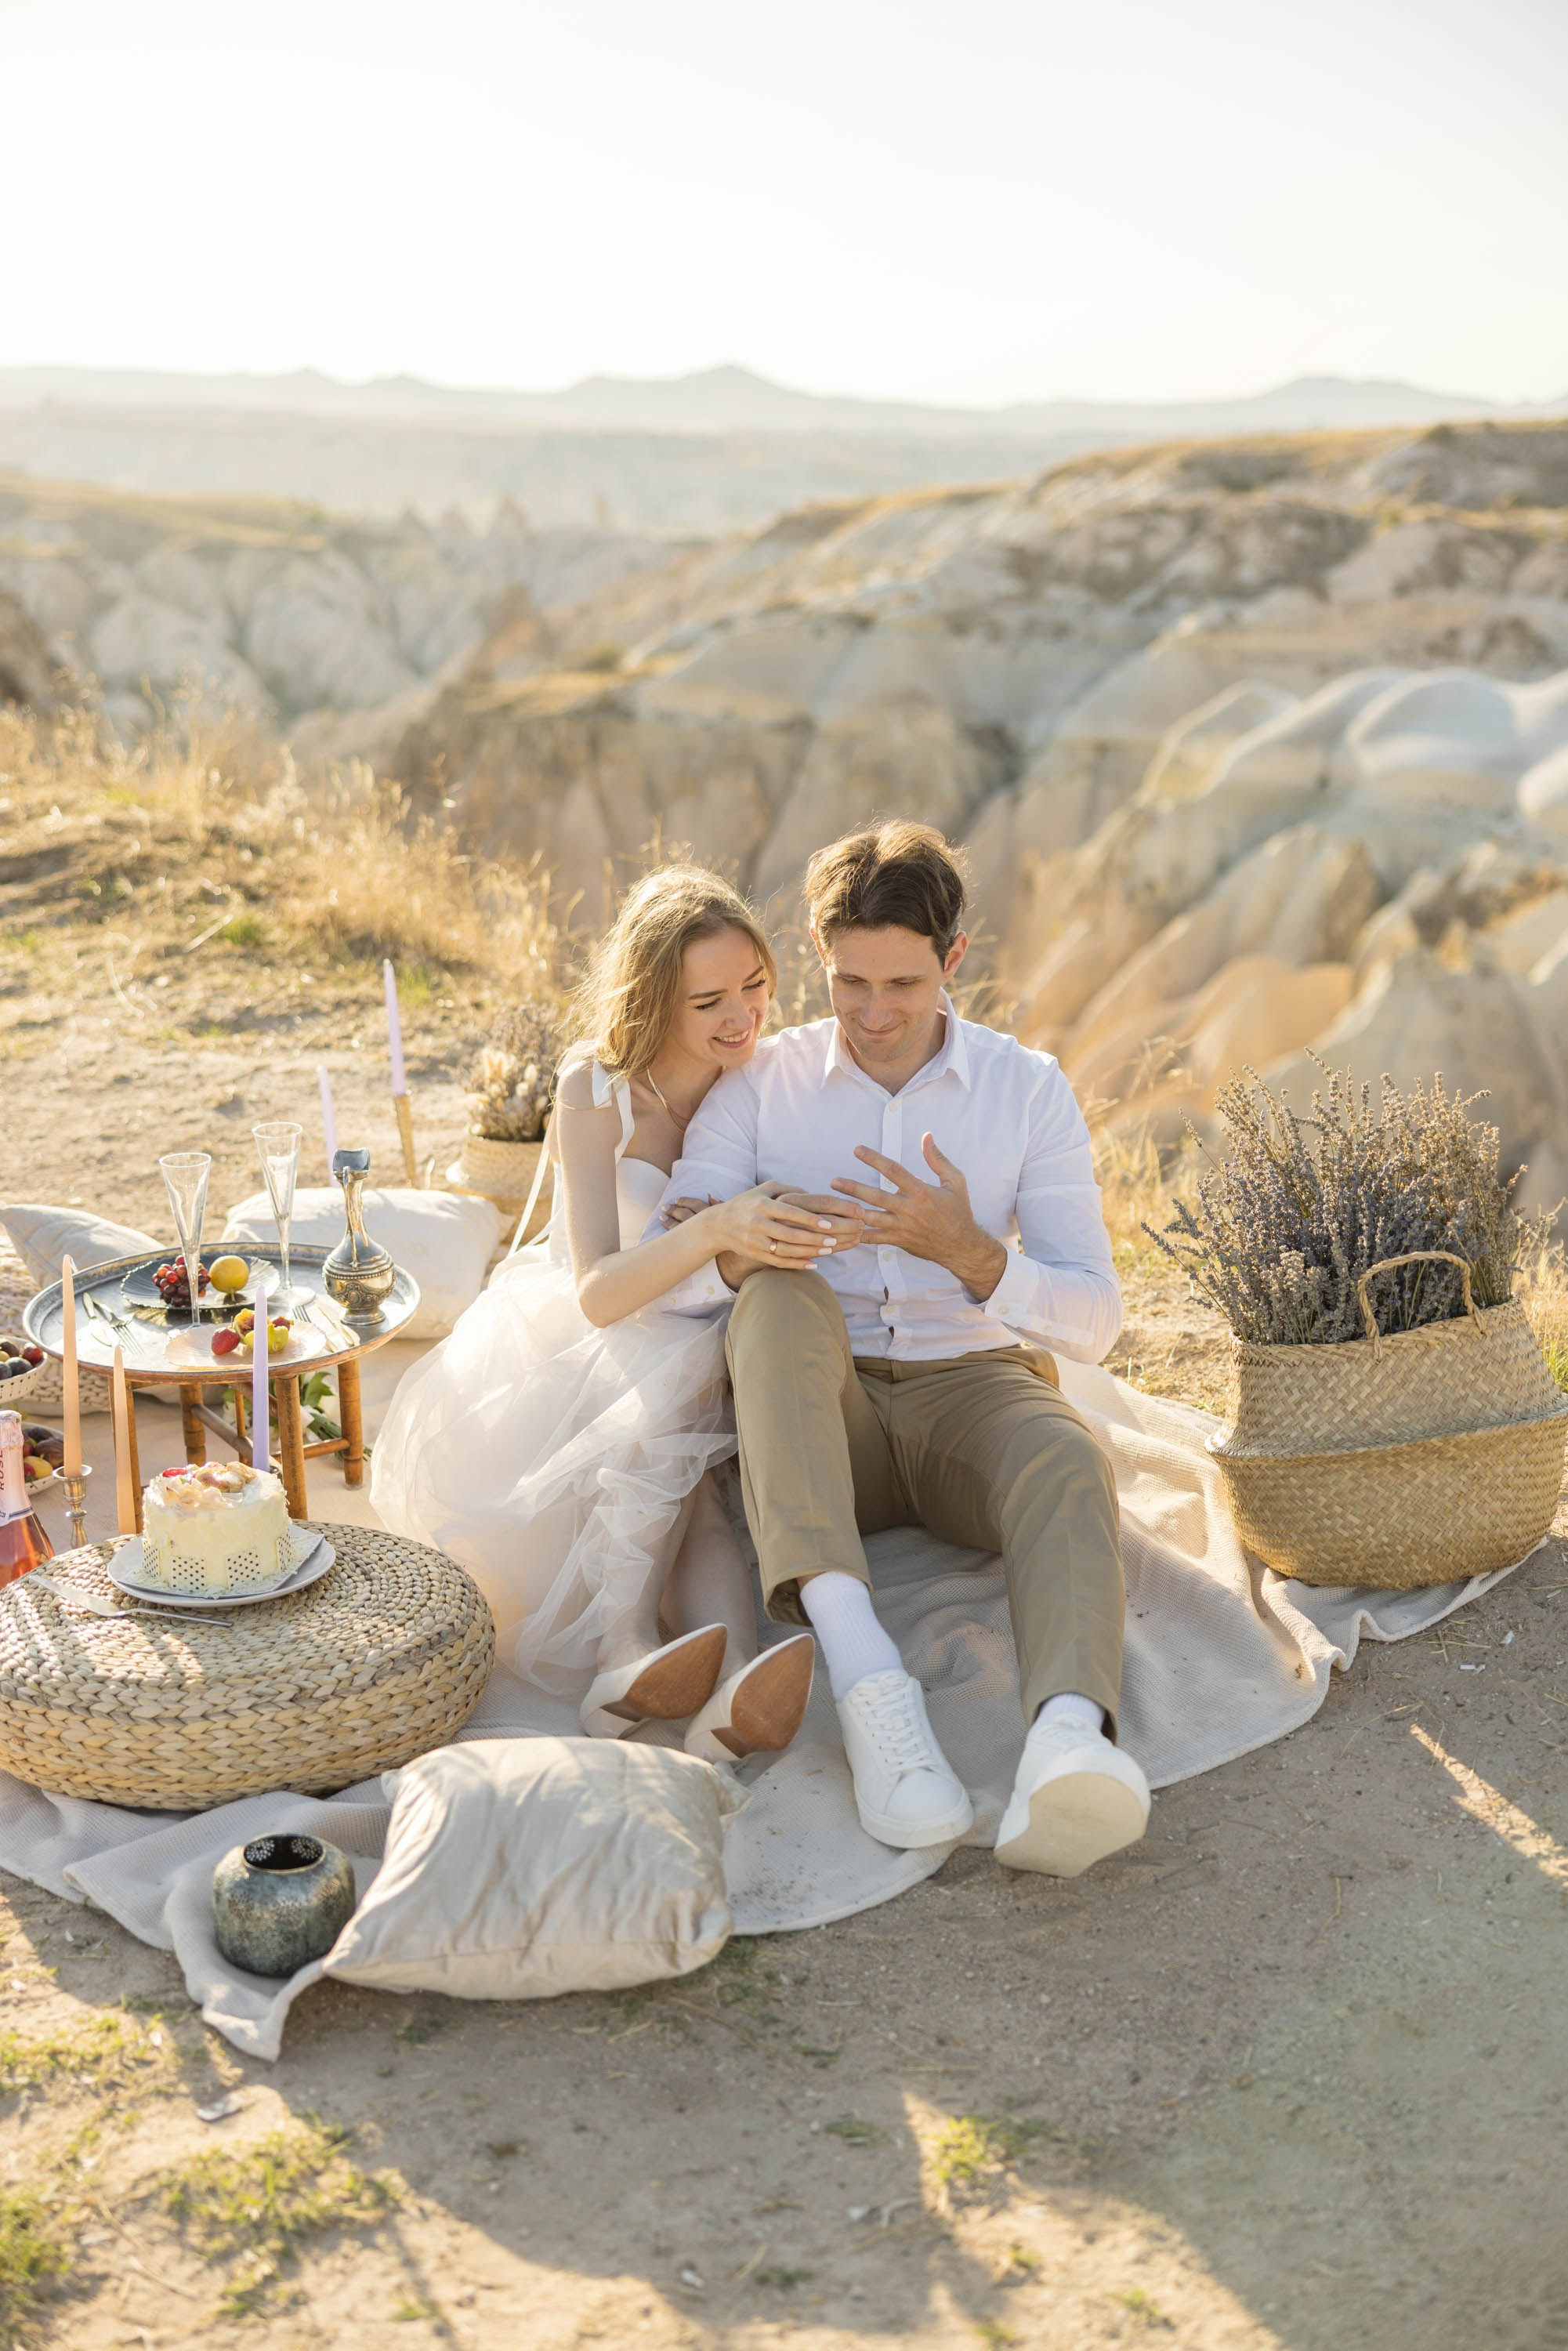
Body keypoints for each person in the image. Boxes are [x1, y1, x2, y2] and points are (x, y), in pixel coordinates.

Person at [654, 820, 1150, 1875]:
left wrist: (970, 1253)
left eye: (903, 985)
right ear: (819, 958)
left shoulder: (1029, 1088)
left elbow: (1099, 1321)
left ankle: (1068, 1742)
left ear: (953, 962)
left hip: (973, 1385)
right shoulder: (760, 1083)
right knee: (779, 1299)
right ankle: (873, 1687)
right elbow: (668, 1267)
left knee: (1069, 1457)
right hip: (818, 1417)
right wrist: (741, 1243)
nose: (874, 1015)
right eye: (848, 983)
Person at [371, 864, 848, 1759]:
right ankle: (635, 1651)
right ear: (656, 998)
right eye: (709, 1001)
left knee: (686, 1453)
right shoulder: (596, 1087)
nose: (742, 1016)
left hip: (721, 1328)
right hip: (593, 1328)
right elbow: (597, 1292)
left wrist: (736, 1240)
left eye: (756, 986)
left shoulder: (768, 1079)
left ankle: (709, 1677)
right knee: (670, 1441)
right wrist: (715, 1229)